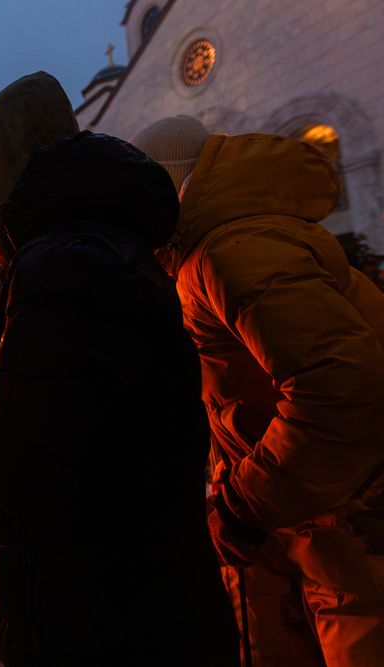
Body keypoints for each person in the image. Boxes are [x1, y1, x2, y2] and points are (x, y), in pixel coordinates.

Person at [0, 73, 239, 666]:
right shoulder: (102, 249)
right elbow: (77, 419)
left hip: (104, 631)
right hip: (151, 615)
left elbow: (18, 494)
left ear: (3, 182)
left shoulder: (62, 270)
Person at [131, 115, 384, 667]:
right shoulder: (220, 246)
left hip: (354, 518)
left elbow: (338, 389)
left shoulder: (233, 250)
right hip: (319, 512)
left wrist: (245, 504)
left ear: (169, 187)